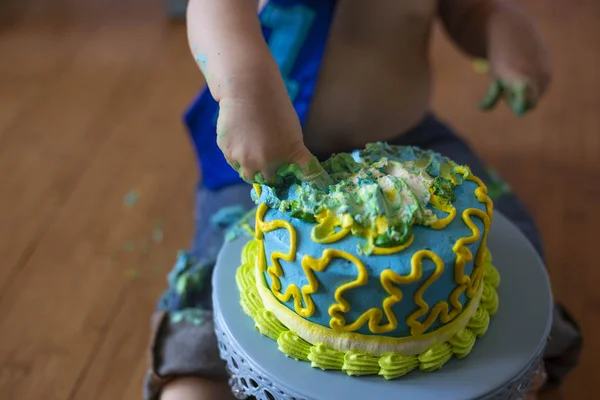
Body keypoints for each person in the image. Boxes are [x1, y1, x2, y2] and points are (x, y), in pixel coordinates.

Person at [145, 1, 582, 399]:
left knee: (497, 231)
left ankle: (515, 358)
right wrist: (243, 85)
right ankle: (198, 369)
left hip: (407, 147)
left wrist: (502, 30)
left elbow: (469, 10)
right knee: (225, 250)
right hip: (275, 158)